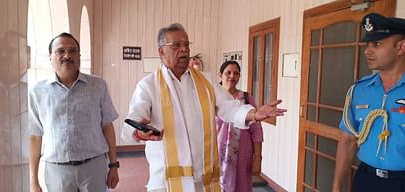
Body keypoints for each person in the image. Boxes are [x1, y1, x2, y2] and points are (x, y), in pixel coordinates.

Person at [125, 23, 286, 192]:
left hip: (201, 176)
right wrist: (139, 131)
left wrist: (253, 113)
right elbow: (133, 121)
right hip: (166, 179)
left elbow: (228, 107)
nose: (184, 50)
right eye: (176, 45)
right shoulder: (148, 85)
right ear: (161, 52)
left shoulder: (205, 81)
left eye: (186, 45)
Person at [28, 32, 120, 192]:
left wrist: (113, 165)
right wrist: (33, 180)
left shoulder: (98, 86)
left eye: (72, 51)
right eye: (60, 51)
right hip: (58, 171)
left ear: (79, 56)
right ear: (50, 57)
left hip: (94, 166)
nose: (67, 56)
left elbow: (108, 127)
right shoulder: (38, 91)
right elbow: (35, 137)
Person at [332, 13, 405, 192]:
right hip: (366, 179)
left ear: (401, 47)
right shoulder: (359, 90)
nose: (367, 50)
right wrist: (336, 185)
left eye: (377, 44)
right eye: (368, 44)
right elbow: (348, 140)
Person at [216, 60, 263, 192]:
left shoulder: (247, 98)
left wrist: (258, 157)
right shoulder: (212, 97)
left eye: (236, 73)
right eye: (228, 72)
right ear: (220, 75)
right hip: (216, 153)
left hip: (242, 155)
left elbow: (256, 131)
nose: (232, 76)